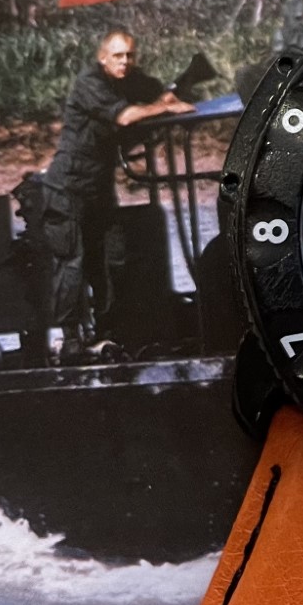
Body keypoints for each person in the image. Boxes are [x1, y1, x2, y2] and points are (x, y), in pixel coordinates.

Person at [42, 29, 194, 360]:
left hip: (98, 188)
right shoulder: (90, 82)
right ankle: (70, 340)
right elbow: (125, 116)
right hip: (67, 188)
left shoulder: (127, 79)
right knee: (72, 263)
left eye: (129, 55)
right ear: (103, 58)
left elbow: (157, 93)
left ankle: (107, 332)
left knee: (108, 261)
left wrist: (169, 97)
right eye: (117, 56)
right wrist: (164, 108)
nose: (125, 62)